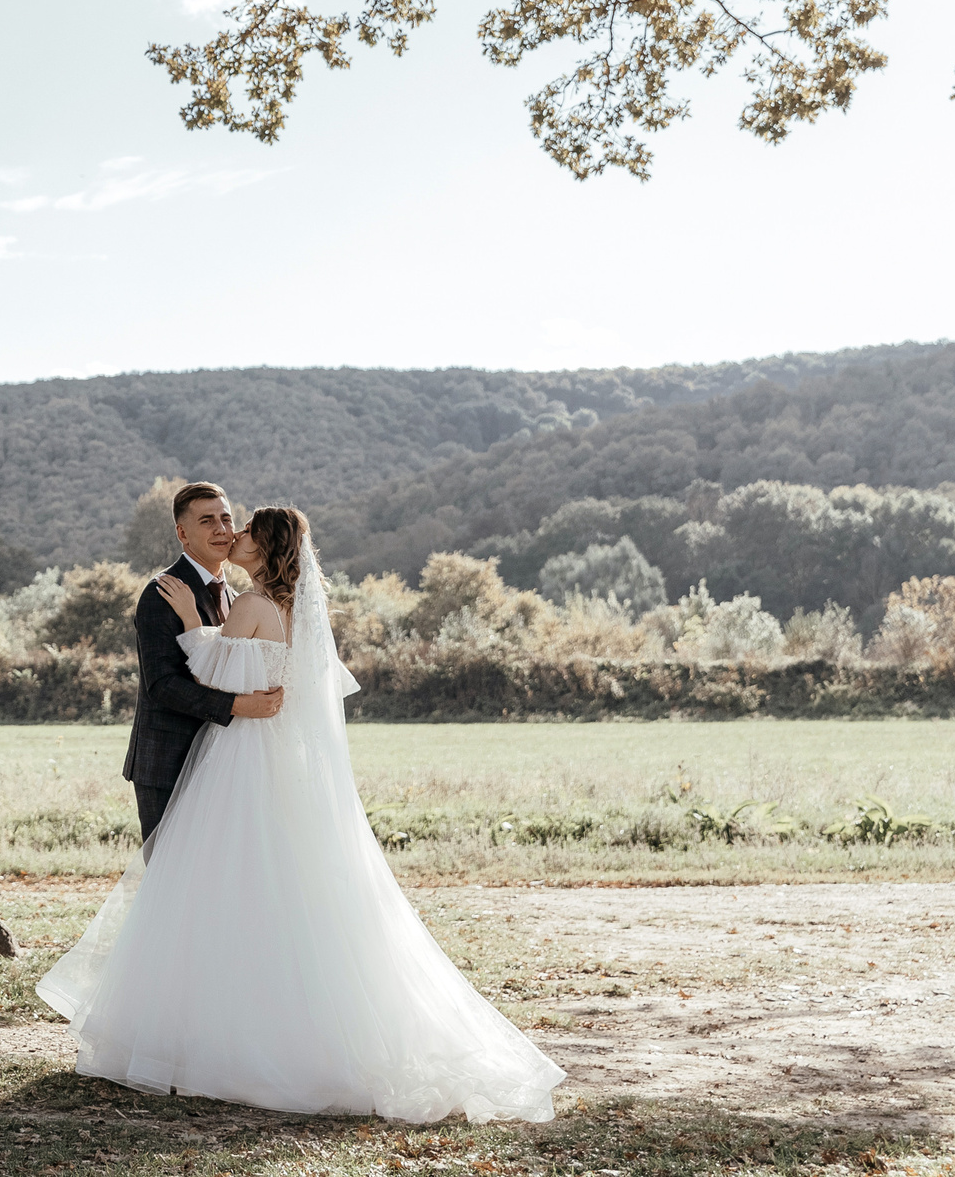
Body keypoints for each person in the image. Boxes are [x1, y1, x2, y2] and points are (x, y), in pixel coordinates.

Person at [41, 505, 565, 1124]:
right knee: (265, 890)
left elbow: (211, 669)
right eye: (215, 523)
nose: (230, 534)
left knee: (208, 890)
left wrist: (192, 624)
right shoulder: (291, 610)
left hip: (239, 757)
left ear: (262, 549)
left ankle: (206, 1037)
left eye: (241, 528)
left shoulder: (249, 603)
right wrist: (197, 627)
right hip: (267, 756)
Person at [123, 481, 282, 839]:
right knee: (170, 878)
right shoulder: (162, 592)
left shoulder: (237, 597)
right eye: (207, 521)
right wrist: (239, 706)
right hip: (168, 761)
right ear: (183, 532)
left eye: (226, 519)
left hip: (222, 763)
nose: (222, 530)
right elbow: (162, 685)